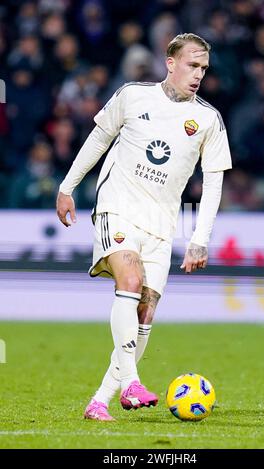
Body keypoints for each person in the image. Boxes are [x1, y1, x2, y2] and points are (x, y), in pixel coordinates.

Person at [56, 33, 232, 421]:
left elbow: (215, 183)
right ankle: (133, 382)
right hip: (117, 208)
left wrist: (199, 239)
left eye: (203, 68)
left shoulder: (207, 119)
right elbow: (99, 137)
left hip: (162, 224)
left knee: (145, 313)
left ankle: (100, 400)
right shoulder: (133, 95)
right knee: (130, 282)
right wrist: (67, 186)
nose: (198, 73)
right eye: (191, 64)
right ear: (170, 62)